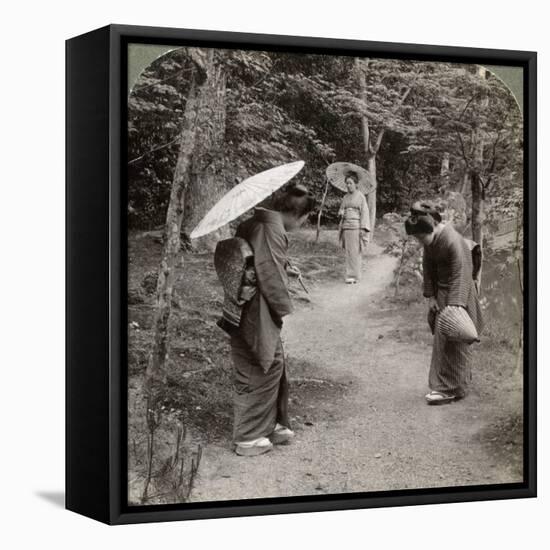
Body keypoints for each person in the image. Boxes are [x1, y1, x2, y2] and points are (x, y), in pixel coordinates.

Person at [230, 184, 316, 456]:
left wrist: (285, 267)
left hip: (243, 300)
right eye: (304, 220)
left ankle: (272, 424)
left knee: (272, 359)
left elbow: (259, 261)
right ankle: (248, 435)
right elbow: (268, 273)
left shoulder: (255, 222)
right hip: (255, 305)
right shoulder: (271, 229)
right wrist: (281, 306)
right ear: (297, 215)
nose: (302, 225)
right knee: (261, 363)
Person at [405, 201, 483, 405]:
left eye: (422, 237)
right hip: (442, 293)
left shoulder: (453, 241)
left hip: (460, 293)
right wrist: (431, 296)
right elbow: (428, 268)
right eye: (418, 239)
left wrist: (455, 306)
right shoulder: (431, 241)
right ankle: (445, 386)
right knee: (442, 342)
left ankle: (454, 388)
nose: (421, 242)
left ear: (431, 227)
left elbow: (462, 273)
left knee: (456, 340)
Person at [338, 172, 371, 283]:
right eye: (347, 183)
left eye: (350, 183)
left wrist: (363, 228)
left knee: (355, 252)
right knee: (348, 252)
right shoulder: (345, 197)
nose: (348, 185)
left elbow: (365, 213)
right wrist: (341, 212)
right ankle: (349, 275)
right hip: (346, 226)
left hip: (356, 227)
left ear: (356, 184)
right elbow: (341, 209)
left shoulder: (361, 196)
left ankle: (355, 276)